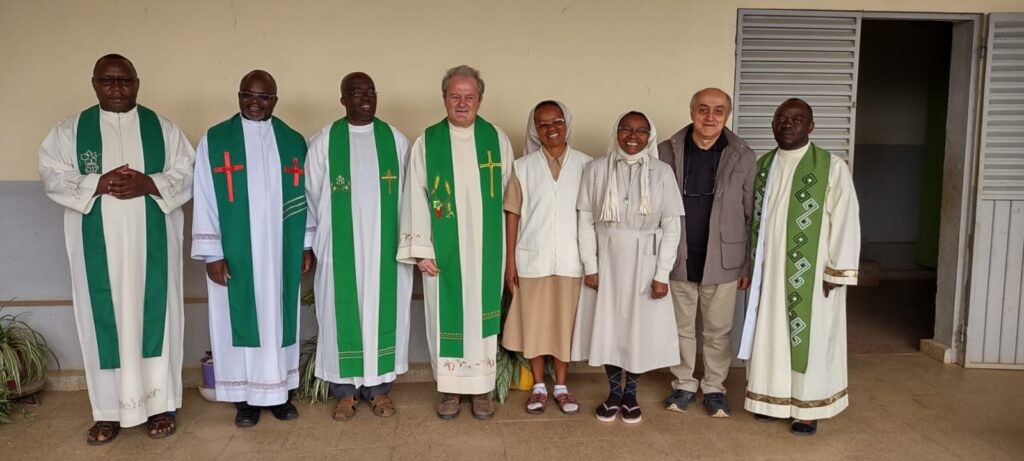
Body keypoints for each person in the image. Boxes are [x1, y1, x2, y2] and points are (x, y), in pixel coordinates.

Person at [38, 54, 195, 445]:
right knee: (102, 322)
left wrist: (151, 184)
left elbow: (188, 171)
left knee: (157, 321)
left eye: (124, 81)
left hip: (152, 248)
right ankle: (107, 412)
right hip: (99, 252)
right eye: (108, 81)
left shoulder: (164, 129)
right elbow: (51, 172)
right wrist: (96, 182)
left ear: (138, 82)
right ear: (94, 83)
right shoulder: (70, 131)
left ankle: (160, 405)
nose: (117, 89)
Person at [191, 70, 315, 427]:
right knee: (238, 319)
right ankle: (244, 398)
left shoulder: (292, 141)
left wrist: (305, 243)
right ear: (239, 95)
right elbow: (205, 196)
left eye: (264, 97)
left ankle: (280, 394)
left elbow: (305, 198)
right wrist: (212, 253)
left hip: (280, 250)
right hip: (235, 253)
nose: (255, 103)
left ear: (275, 100)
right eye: (248, 95)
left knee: (279, 318)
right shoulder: (215, 141)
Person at [737, 98, 860, 436]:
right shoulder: (764, 165)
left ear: (811, 126)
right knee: (770, 335)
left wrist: (837, 270)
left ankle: (807, 408)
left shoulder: (831, 166)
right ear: (773, 124)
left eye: (797, 118)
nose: (787, 123)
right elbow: (754, 223)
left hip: (813, 274)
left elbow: (847, 220)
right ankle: (770, 401)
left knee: (812, 339)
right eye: (781, 117)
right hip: (769, 273)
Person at [397, 65, 513, 420]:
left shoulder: (497, 139)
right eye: (455, 96)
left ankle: (481, 390)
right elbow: (414, 196)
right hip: (443, 253)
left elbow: (509, 198)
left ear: (480, 99)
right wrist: (421, 251)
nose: (462, 103)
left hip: (486, 251)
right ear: (444, 99)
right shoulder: (428, 142)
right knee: (443, 317)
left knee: (482, 320)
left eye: (469, 97)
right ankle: (448, 389)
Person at [306, 72, 413, 421]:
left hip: (385, 249)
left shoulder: (395, 140)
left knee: (384, 315)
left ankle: (380, 391)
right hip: (340, 251)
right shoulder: (324, 141)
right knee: (341, 317)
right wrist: (311, 245)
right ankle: (345, 393)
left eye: (369, 92)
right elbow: (310, 197)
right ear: (343, 99)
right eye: (355, 93)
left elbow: (411, 197)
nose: (364, 98)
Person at [572, 111, 685, 424]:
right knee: (608, 329)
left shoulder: (662, 173)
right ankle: (613, 392)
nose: (632, 136)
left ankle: (631, 394)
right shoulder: (596, 169)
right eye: (626, 129)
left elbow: (672, 227)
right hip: (606, 258)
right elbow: (584, 221)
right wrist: (590, 266)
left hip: (645, 261)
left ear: (650, 136)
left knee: (637, 329)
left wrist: (662, 274)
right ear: (616, 132)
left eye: (640, 131)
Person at [658, 88, 755, 417]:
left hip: (724, 260)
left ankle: (714, 387)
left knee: (718, 331)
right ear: (691, 112)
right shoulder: (666, 152)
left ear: (726, 115)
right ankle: (684, 384)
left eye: (717, 110)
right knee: (681, 328)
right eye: (703, 109)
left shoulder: (742, 154)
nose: (709, 117)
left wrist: (746, 264)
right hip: (679, 256)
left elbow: (750, 214)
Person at [502, 100, 590, 415]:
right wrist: (510, 262)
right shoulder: (522, 167)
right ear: (535, 130)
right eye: (543, 124)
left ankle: (562, 387)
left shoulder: (585, 164)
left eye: (557, 121)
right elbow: (512, 215)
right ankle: (539, 386)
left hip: (571, 260)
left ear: (566, 124)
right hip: (532, 260)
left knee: (563, 326)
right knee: (536, 326)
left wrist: (592, 263)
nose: (551, 128)